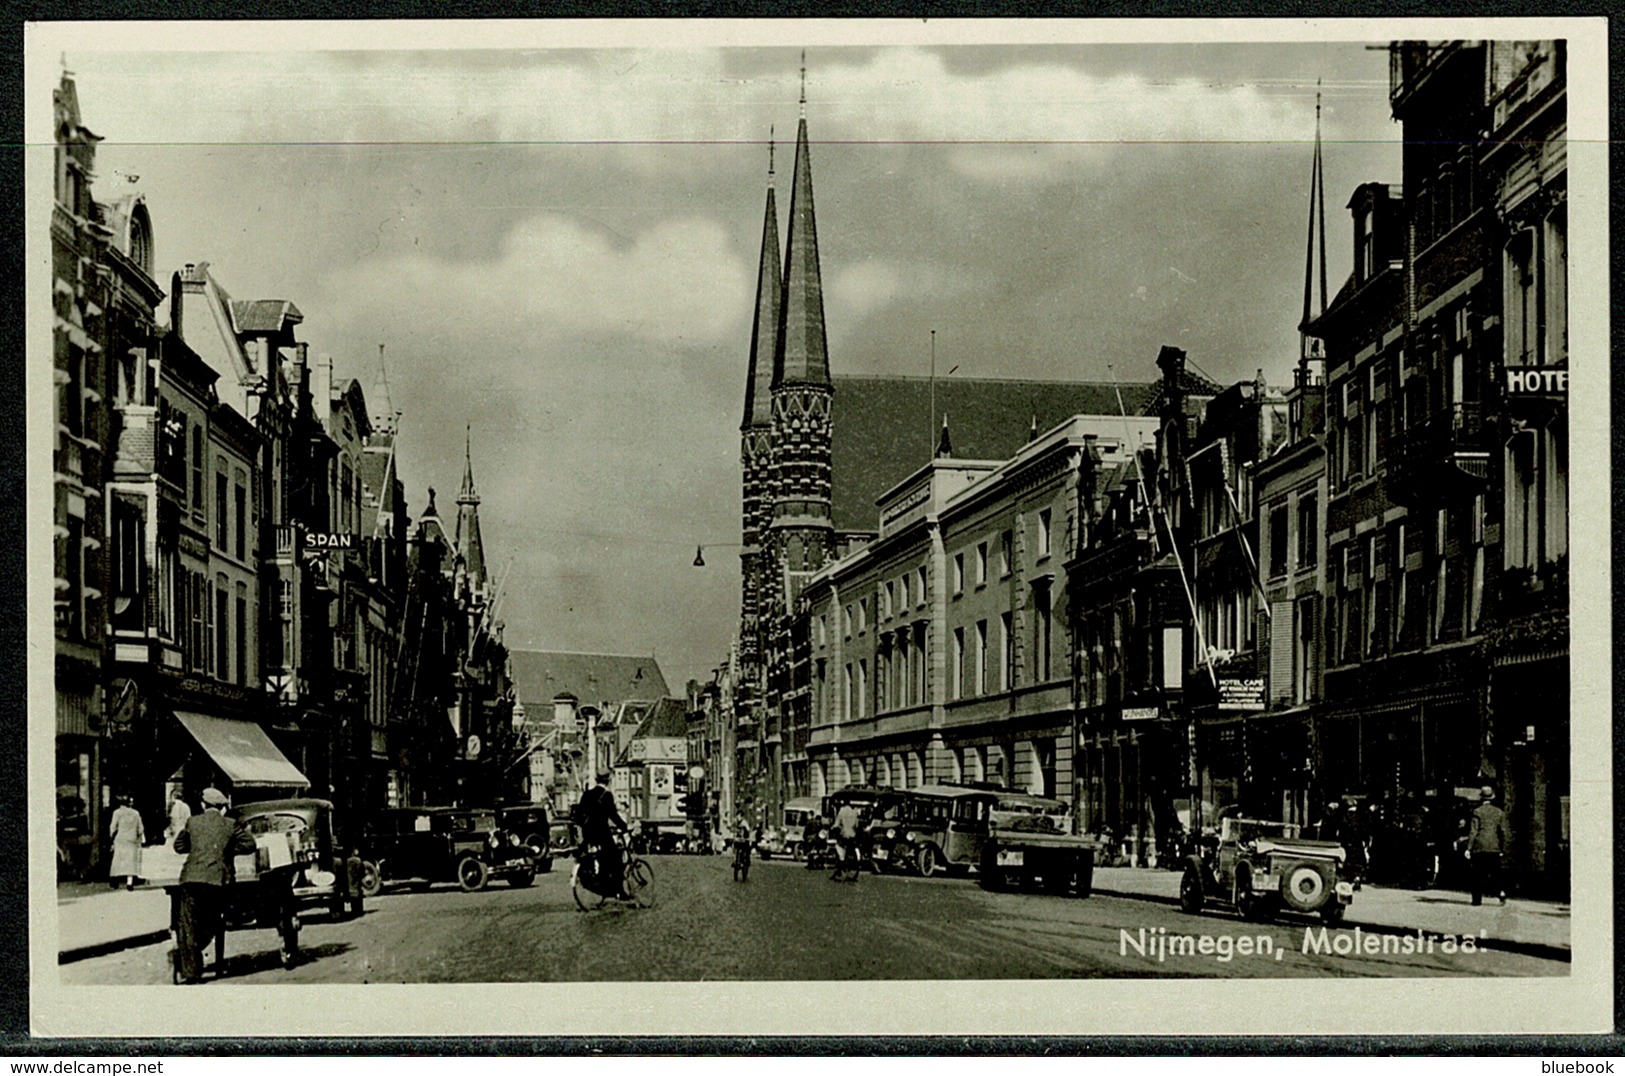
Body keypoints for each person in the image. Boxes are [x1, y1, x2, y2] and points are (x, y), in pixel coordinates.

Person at [172, 787, 257, 984]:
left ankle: (191, 971)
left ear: (203, 805)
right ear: (222, 808)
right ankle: (195, 956)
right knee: (211, 922)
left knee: (188, 924)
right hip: (218, 881)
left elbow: (179, 847)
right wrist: (227, 851)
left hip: (191, 879)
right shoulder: (230, 824)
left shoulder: (192, 822)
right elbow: (250, 845)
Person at [577, 773, 631, 900]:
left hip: (588, 833)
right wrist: (624, 827)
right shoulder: (606, 795)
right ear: (608, 780)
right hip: (601, 832)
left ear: (596, 780)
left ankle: (603, 880)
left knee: (599, 856)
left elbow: (579, 814)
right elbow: (613, 815)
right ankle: (619, 891)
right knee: (616, 858)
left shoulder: (587, 794)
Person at [1467, 785, 1512, 906]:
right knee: (1494, 872)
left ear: (1481, 798)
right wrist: (1502, 848)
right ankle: (1500, 892)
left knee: (1477, 874)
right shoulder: (1499, 812)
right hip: (1494, 846)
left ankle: (1476, 900)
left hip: (1479, 846)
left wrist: (1468, 848)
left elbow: (1474, 831)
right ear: (1492, 798)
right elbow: (1502, 831)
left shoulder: (1477, 811)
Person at [107, 795, 145, 891]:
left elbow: (113, 827)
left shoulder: (117, 813)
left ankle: (115, 881)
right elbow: (140, 828)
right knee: (131, 862)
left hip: (120, 839)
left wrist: (111, 837)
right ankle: (129, 883)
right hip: (131, 840)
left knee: (117, 860)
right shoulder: (135, 813)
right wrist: (137, 837)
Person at [832, 799, 863, 881]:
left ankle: (841, 864)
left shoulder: (842, 811)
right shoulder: (854, 812)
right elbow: (856, 825)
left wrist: (833, 827)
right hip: (853, 835)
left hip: (844, 834)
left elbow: (837, 823)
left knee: (839, 847)